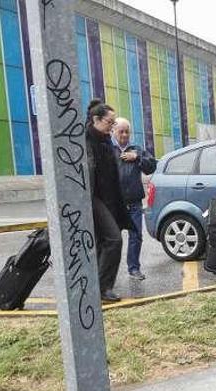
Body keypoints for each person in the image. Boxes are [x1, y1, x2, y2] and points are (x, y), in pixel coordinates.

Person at [85, 99, 132, 302]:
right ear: (96, 119)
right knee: (114, 240)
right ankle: (103, 288)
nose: (112, 127)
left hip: (109, 199)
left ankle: (96, 288)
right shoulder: (85, 140)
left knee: (102, 243)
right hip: (92, 199)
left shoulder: (105, 141)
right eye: (109, 122)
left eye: (114, 123)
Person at [112, 118, 157, 281]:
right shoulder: (108, 150)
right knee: (112, 240)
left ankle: (134, 268)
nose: (124, 134)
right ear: (113, 132)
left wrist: (137, 157)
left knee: (136, 236)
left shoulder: (137, 149)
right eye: (121, 131)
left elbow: (152, 166)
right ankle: (109, 274)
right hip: (114, 205)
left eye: (127, 131)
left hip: (135, 203)